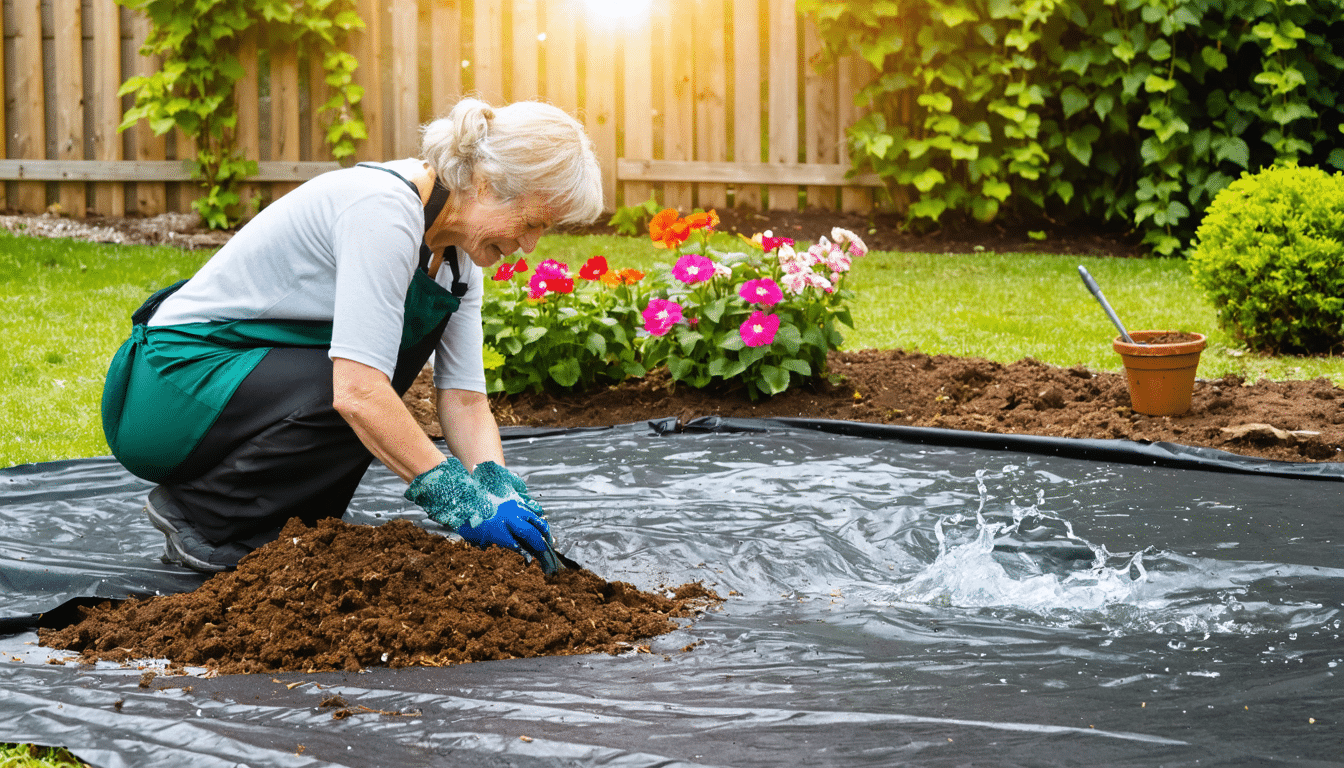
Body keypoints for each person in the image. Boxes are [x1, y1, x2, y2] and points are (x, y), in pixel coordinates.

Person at [100, 98, 603, 575]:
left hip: (235, 384)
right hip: (169, 390)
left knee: (378, 379)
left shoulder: (459, 263)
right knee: (366, 385)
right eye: (533, 222)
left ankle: (269, 526)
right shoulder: (384, 212)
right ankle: (201, 516)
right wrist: (460, 500)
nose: (531, 245)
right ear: (490, 184)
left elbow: (466, 400)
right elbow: (359, 393)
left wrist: (497, 486)